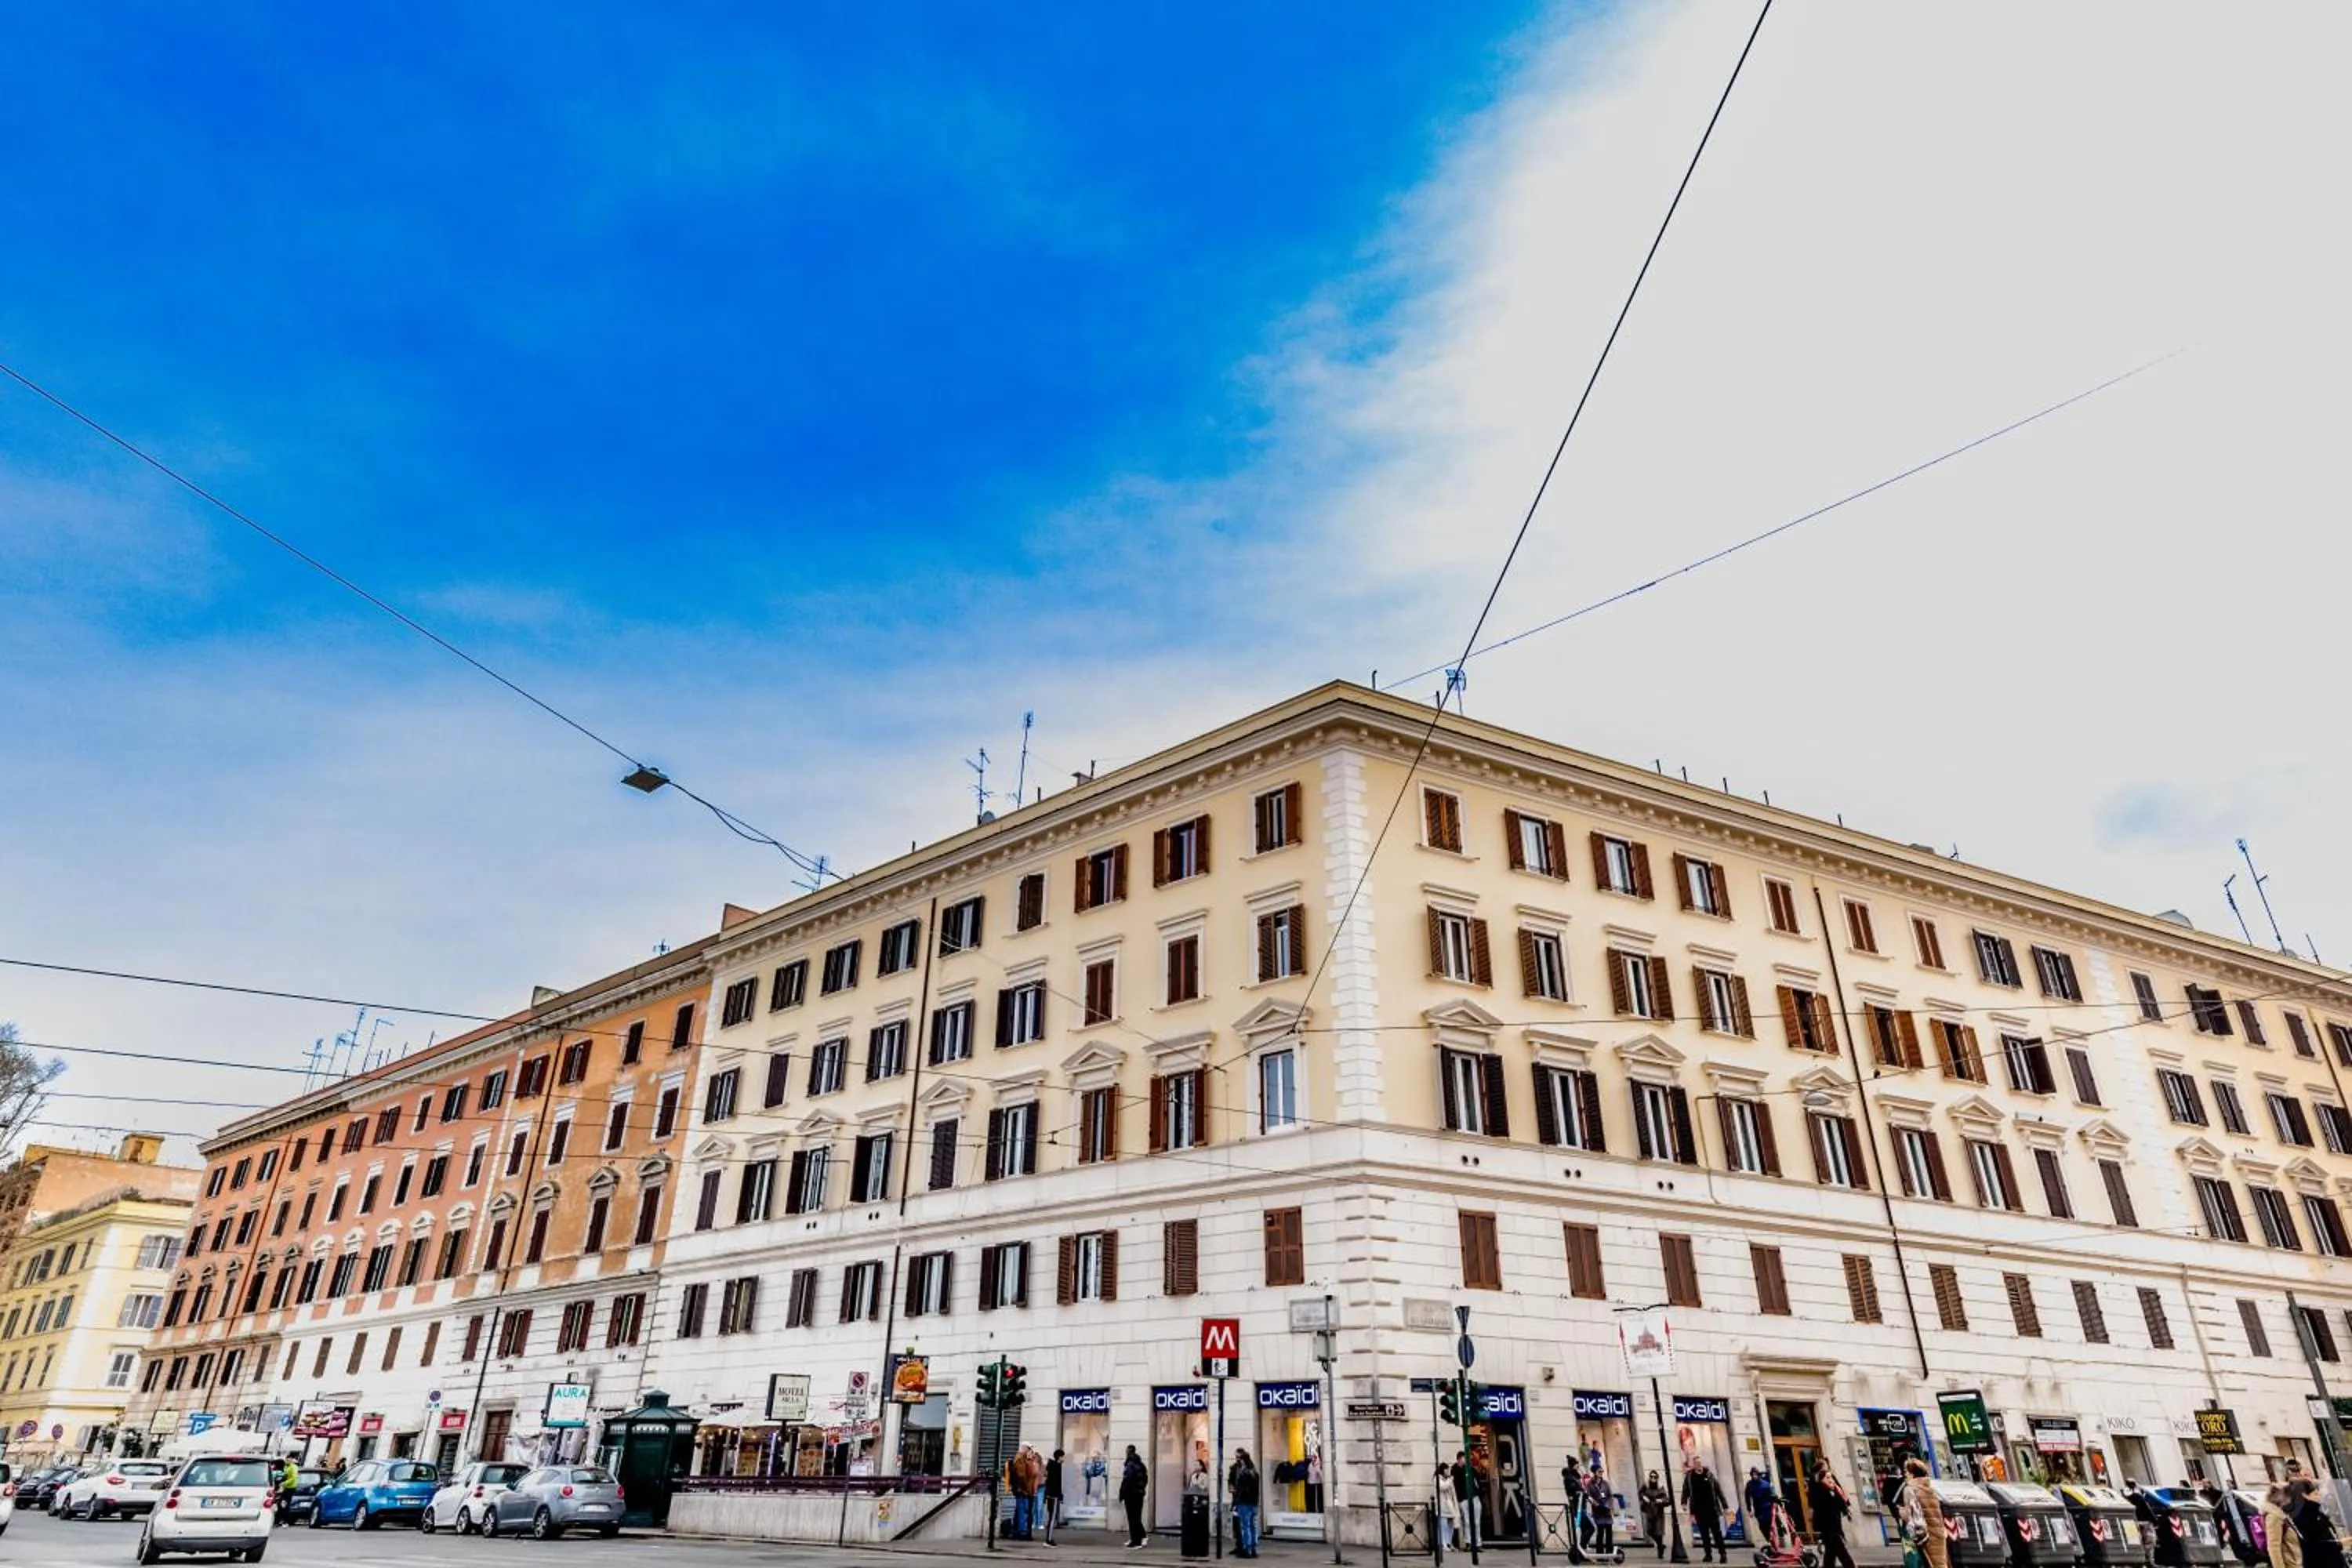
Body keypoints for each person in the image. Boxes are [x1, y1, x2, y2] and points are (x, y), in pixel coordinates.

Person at [1896, 1457, 1947, 1568]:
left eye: (1907, 1472)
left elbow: (1909, 1515)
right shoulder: (1931, 1489)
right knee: (1939, 1563)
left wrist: (1900, 1511)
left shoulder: (1910, 1489)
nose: (1905, 1475)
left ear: (1913, 1473)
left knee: (1925, 1562)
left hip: (1923, 1535)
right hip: (1938, 1532)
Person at [1810, 1460, 1857, 1568]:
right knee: (1843, 1554)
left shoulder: (1832, 1491)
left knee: (1830, 1555)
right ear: (1821, 1479)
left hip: (1834, 1527)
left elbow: (1840, 1501)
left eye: (1831, 1477)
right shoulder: (1820, 1492)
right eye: (1828, 1478)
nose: (1831, 1480)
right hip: (1829, 1529)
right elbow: (1818, 1511)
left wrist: (1846, 1510)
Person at [2292, 1479, 2346, 1568]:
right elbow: (2313, 1545)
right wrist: (2340, 1544)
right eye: (2315, 1493)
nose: (2319, 1496)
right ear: (2304, 1495)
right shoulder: (2302, 1517)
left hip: (2333, 1559)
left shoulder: (2316, 1510)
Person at [1683, 1462, 1729, 1565]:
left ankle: (1723, 1554)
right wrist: (1684, 1503)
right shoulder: (1690, 1477)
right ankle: (1708, 1555)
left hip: (1712, 1510)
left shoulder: (1709, 1475)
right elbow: (1685, 1490)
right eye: (1696, 1463)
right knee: (1705, 1535)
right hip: (1699, 1511)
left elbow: (1719, 1491)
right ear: (1694, 1465)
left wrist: (1725, 1506)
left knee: (1717, 1534)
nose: (1699, 1465)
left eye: (1700, 1463)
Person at [1230, 1448, 1262, 1559]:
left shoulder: (1244, 1474)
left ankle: (1247, 1549)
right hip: (1254, 1503)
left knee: (1245, 1527)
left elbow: (1242, 1490)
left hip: (1244, 1503)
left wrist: (1237, 1496)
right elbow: (1256, 1490)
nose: (1238, 1461)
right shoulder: (1255, 1473)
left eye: (1240, 1459)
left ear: (1243, 1461)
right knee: (1253, 1526)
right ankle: (1253, 1549)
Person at [2264, 1484, 2302, 1568]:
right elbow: (2274, 1547)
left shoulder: (2281, 1515)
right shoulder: (2274, 1517)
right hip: (2290, 1564)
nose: (2291, 1499)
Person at [1120, 1445, 1150, 1548]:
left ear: (1128, 1452)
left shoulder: (1130, 1465)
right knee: (1136, 1517)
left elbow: (1127, 1481)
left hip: (1131, 1495)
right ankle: (1141, 1537)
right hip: (1139, 1494)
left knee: (1132, 1518)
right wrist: (1141, 1489)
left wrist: (1122, 1494)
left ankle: (1136, 1541)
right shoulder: (1141, 1465)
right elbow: (1145, 1479)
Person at [1455, 1454, 1484, 1551]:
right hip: (1464, 1498)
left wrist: (1479, 1493)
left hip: (1474, 1497)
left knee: (1477, 1522)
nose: (1467, 1460)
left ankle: (1478, 1543)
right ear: (1459, 1459)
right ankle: (1469, 1542)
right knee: (1467, 1522)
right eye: (1464, 1458)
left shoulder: (1472, 1470)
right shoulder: (1456, 1470)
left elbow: (1478, 1482)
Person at [1588, 1466, 1618, 1555]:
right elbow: (1589, 1496)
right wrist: (1596, 1504)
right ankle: (1600, 1553)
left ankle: (1609, 1552)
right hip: (1598, 1511)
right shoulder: (1590, 1484)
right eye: (1599, 1471)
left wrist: (1609, 1505)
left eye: (1602, 1471)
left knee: (1609, 1532)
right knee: (1600, 1532)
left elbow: (1610, 1496)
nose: (1601, 1473)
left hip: (1606, 1510)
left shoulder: (1605, 1483)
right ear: (1594, 1472)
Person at [1640, 1470, 1671, 1558]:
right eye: (1651, 1476)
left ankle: (1660, 1551)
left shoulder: (1660, 1487)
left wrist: (1660, 1500)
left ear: (1657, 1478)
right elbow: (1640, 1493)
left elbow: (1666, 1499)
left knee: (1658, 1532)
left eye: (1655, 1477)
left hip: (1658, 1512)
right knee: (1649, 1531)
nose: (1653, 1478)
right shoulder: (1646, 1486)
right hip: (1649, 1511)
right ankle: (1661, 1545)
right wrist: (1644, 1497)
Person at [1747, 1468, 1780, 1541]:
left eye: (1755, 1475)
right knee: (1762, 1526)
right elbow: (1747, 1497)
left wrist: (1776, 1504)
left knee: (1770, 1525)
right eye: (1753, 1475)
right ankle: (1769, 1539)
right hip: (1758, 1509)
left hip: (1768, 1508)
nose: (1754, 1476)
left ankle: (1773, 1539)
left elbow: (1772, 1495)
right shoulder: (1750, 1484)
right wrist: (1749, 1510)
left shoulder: (1765, 1484)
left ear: (1758, 1475)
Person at [1043, 1448, 1065, 1546]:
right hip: (1054, 1495)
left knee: (1051, 1517)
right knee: (1052, 1518)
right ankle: (1049, 1539)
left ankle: (1049, 1538)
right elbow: (1057, 1483)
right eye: (1063, 1457)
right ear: (1059, 1457)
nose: (1064, 1459)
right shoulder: (1057, 1467)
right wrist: (1060, 1495)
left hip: (1050, 1494)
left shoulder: (1051, 1467)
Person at [1438, 1465, 1461, 1550]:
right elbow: (1443, 1487)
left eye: (1449, 1470)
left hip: (1451, 1505)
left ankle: (1448, 1543)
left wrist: (1455, 1504)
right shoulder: (1438, 1479)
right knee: (1443, 1525)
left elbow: (1453, 1493)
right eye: (1447, 1470)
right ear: (1443, 1470)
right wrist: (1450, 1480)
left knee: (1451, 1525)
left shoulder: (1449, 1480)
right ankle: (1443, 1544)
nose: (1448, 1471)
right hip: (1443, 1506)